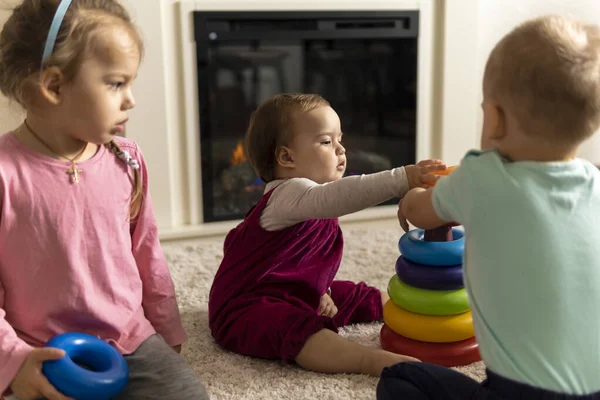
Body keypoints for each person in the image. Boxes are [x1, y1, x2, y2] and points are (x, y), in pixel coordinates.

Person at [381, 15, 600, 399]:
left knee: (399, 380)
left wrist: (412, 195)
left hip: (523, 394)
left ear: (494, 118)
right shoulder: (596, 182)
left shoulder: (482, 178)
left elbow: (422, 212)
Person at [0, 1, 208, 399]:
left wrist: (166, 331)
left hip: (126, 337)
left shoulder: (125, 158)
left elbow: (147, 252)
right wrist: (14, 360)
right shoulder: (6, 173)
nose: (130, 99)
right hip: (36, 347)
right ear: (55, 86)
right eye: (115, 83)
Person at [208, 92, 447, 377]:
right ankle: (367, 361)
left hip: (295, 293)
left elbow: (298, 264)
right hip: (244, 310)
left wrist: (323, 289)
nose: (341, 150)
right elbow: (336, 197)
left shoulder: (311, 200)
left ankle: (416, 311)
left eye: (340, 139)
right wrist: (401, 178)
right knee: (298, 330)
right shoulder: (288, 193)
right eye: (326, 141)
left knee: (355, 295)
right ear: (287, 157)